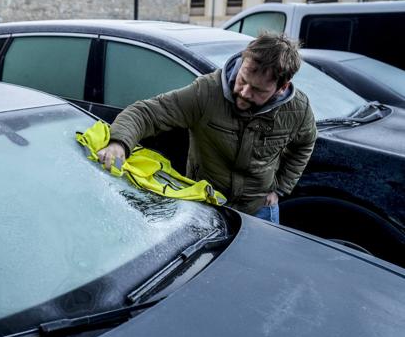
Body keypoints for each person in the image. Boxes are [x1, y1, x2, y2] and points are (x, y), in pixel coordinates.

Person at [97, 32, 317, 223]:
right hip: (204, 205)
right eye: (243, 80)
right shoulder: (206, 93)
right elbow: (146, 113)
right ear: (242, 62)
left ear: (282, 87)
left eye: (258, 90)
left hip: (260, 209)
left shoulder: (298, 110)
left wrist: (280, 188)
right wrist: (120, 143)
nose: (244, 92)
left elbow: (305, 144)